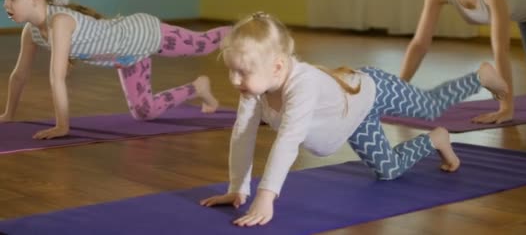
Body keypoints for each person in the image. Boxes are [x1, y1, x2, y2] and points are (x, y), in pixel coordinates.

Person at [200, 12, 508, 227]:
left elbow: (288, 141)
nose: (234, 79)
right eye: (231, 70)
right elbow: (242, 133)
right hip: (353, 120)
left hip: (374, 89)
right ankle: (436, 139)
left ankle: (480, 76)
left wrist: (266, 197)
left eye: (243, 71)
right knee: (388, 172)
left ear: (278, 67)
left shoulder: (301, 84)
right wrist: (239, 187)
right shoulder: (254, 90)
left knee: (429, 106)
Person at [0, 0, 231, 139]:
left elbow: (57, 77)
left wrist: (63, 126)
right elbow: (19, 75)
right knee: (144, 112)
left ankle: (248, 30)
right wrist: (8, 114)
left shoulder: (59, 22)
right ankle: (198, 87)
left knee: (205, 44)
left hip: (144, 34)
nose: (5, 4)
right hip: (126, 59)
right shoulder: (32, 31)